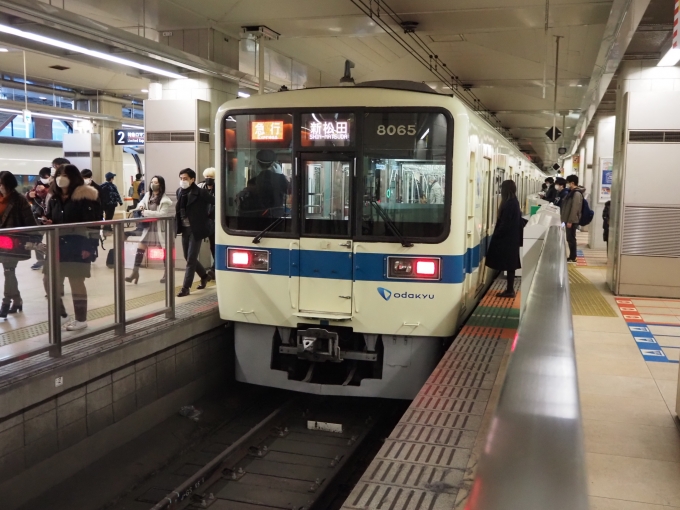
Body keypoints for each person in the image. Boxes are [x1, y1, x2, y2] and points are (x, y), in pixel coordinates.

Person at [43, 164, 100, 331]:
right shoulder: (54, 197)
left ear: (73, 177)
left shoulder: (86, 195)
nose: (61, 177)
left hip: (78, 243)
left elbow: (94, 223)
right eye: (59, 174)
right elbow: (51, 216)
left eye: (65, 174)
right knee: (48, 280)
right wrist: (48, 221)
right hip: (57, 243)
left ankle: (81, 319)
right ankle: (61, 315)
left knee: (76, 281)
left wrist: (90, 246)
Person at [0, 171, 38, 318]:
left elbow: (30, 222)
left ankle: (6, 302)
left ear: (8, 184)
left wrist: (35, 239)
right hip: (1, 242)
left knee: (8, 271)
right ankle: (17, 301)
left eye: (1, 184)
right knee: (9, 272)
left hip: (13, 243)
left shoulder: (19, 200)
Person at [125, 176, 173, 284]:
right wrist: (141, 206)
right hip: (148, 227)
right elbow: (141, 203)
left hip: (159, 228)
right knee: (141, 247)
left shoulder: (165, 200)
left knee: (164, 251)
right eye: (152, 182)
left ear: (161, 184)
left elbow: (162, 214)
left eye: (156, 182)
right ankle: (135, 272)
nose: (153, 184)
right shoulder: (147, 195)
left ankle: (167, 273)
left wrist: (146, 212)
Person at [175, 168, 214, 297]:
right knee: (187, 256)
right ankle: (204, 275)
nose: (182, 181)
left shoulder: (201, 193)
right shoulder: (179, 192)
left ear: (192, 179)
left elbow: (215, 203)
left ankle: (186, 287)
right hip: (184, 228)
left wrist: (208, 217)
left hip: (196, 229)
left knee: (191, 258)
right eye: (181, 178)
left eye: (185, 178)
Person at [485, 180, 523, 299]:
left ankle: (510, 290)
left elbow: (505, 223)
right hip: (511, 238)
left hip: (508, 239)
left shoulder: (509, 203)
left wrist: (497, 235)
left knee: (509, 264)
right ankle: (509, 289)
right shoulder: (513, 201)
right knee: (510, 264)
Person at [26, 167, 51, 269]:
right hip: (38, 216)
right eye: (42, 177)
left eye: (46, 177)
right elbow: (29, 195)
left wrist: (43, 192)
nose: (44, 179)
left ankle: (51, 258)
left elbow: (52, 196)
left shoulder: (54, 185)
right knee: (36, 238)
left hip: (51, 217)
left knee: (54, 239)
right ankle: (41, 260)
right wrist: (29, 195)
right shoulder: (38, 184)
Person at [254, 150, 289, 217]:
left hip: (259, 216)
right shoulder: (279, 179)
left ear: (258, 164)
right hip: (277, 216)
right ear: (273, 164)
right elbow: (288, 190)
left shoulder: (254, 180)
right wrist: (280, 175)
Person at [561, 174, 585, 263]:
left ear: (572, 183)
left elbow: (575, 208)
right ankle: (572, 256)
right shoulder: (572, 192)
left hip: (572, 221)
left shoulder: (577, 193)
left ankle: (573, 257)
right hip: (568, 220)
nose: (567, 185)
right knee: (569, 238)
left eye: (568, 183)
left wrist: (570, 221)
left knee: (571, 239)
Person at [198, 168, 216, 276]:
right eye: (207, 177)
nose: (208, 179)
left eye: (211, 178)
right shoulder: (200, 187)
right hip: (205, 220)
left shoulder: (219, 188)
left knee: (214, 245)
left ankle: (214, 267)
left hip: (215, 220)